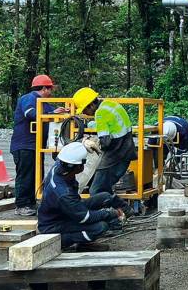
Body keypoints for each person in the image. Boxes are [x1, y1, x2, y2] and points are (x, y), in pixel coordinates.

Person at [37, 141, 126, 251]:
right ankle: (68, 243)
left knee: (105, 197)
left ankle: (127, 211)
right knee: (100, 227)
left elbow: (69, 154)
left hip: (66, 213)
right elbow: (85, 218)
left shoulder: (60, 166)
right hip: (53, 226)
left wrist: (83, 145)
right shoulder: (63, 193)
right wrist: (110, 213)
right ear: (78, 167)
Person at [10, 74, 65, 217]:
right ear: (45, 88)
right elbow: (31, 114)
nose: (51, 92)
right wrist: (52, 113)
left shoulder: (44, 103)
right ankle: (22, 205)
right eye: (50, 89)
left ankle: (31, 202)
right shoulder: (29, 99)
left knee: (36, 174)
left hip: (36, 146)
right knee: (25, 175)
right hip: (24, 145)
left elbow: (50, 114)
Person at [72, 87, 136, 196]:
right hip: (127, 152)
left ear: (91, 105)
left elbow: (105, 143)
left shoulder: (100, 113)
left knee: (96, 190)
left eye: (84, 110)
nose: (85, 114)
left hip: (115, 155)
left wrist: (90, 144)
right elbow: (114, 127)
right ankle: (121, 210)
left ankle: (108, 212)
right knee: (105, 188)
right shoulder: (111, 104)